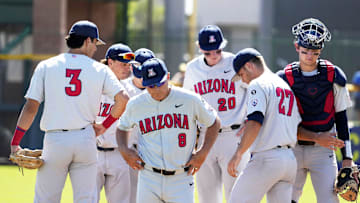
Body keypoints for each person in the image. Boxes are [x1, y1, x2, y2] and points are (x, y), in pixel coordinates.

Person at [9, 20, 129, 203]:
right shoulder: (99, 69)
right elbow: (123, 99)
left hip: (55, 139)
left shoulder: (46, 66)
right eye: (95, 43)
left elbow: (31, 108)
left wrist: (16, 141)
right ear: (88, 41)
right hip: (85, 138)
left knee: (45, 199)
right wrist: (104, 126)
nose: (96, 49)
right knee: (85, 199)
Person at [116, 58, 221, 203]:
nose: (156, 89)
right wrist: (124, 150)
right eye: (151, 85)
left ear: (168, 77)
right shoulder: (137, 104)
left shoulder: (189, 99)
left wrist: (203, 152)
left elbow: (214, 121)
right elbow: (122, 127)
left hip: (181, 178)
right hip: (149, 177)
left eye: (160, 83)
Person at [277, 18, 352, 203]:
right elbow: (281, 124)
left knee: (329, 199)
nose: (309, 56)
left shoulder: (334, 75)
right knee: (287, 199)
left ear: (321, 50)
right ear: (296, 47)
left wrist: (347, 158)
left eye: (314, 52)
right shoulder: (283, 79)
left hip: (323, 149)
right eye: (305, 51)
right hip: (293, 147)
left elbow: (341, 117)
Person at [183, 24, 250, 203]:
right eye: (208, 52)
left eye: (217, 51)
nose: (213, 56)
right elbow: (188, 105)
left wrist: (250, 120)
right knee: (207, 196)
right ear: (200, 49)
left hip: (233, 134)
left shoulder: (235, 62)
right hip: (206, 137)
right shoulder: (192, 68)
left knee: (236, 195)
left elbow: (254, 92)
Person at [227, 48, 301, 203]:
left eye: (241, 74)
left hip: (267, 158)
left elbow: (255, 122)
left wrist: (238, 153)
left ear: (249, 66)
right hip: (289, 161)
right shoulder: (284, 86)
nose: (243, 80)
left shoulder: (257, 84)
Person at [95, 43, 135, 203]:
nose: (128, 68)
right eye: (123, 64)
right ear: (110, 62)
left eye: (129, 65)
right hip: (93, 152)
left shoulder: (130, 91)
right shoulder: (93, 86)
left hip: (119, 154)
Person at [125, 47, 155, 203]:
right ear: (132, 67)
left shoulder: (158, 89)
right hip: (128, 151)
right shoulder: (121, 88)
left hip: (152, 153)